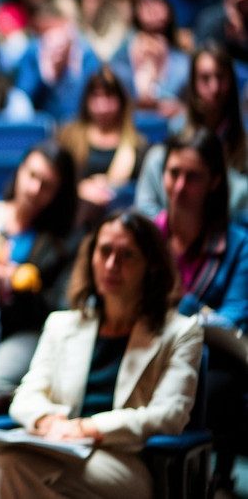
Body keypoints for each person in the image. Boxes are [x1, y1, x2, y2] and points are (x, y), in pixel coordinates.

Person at [0, 210, 203, 498]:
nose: (112, 264)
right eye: (105, 251)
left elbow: (169, 414)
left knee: (9, 469)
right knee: (7, 466)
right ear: (91, 257)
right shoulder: (62, 324)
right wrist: (48, 422)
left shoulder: (181, 332)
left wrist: (89, 428)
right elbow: (26, 395)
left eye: (127, 255)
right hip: (57, 446)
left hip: (123, 460)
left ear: (151, 266)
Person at [156, 128, 248, 493]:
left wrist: (183, 304)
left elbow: (233, 318)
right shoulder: (148, 235)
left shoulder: (238, 244)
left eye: (192, 177)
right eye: (173, 173)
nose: (179, 187)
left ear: (213, 183)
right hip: (151, 345)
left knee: (212, 371)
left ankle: (213, 478)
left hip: (212, 356)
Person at [0, 141, 81, 398]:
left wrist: (20, 282)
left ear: (58, 193)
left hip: (24, 327)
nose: (34, 189)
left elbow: (56, 308)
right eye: (32, 176)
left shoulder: (61, 240)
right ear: (19, 172)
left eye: (46, 185)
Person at [135, 45, 248, 217]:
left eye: (221, 77)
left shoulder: (243, 144)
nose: (215, 88)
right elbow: (145, 209)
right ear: (193, 84)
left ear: (232, 82)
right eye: (205, 78)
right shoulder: (175, 132)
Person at [57, 67, 147, 227]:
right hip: (74, 218)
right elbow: (55, 179)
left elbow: (143, 192)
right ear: (86, 100)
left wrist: (114, 189)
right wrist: (79, 189)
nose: (102, 106)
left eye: (109, 96)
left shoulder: (138, 145)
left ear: (121, 100)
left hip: (121, 221)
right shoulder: (68, 136)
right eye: (96, 96)